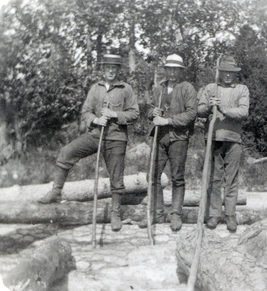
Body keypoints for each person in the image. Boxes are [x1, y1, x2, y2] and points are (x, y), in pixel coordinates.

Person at [38, 54, 139, 232]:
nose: (110, 70)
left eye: (113, 67)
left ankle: (116, 213)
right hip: (95, 134)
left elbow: (134, 113)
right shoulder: (95, 89)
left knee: (116, 177)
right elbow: (85, 111)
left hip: (116, 138)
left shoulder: (125, 89)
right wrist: (95, 120)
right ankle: (56, 191)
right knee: (66, 152)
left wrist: (115, 115)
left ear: (118, 70)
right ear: (103, 69)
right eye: (107, 67)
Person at [138, 54, 197, 232]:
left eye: (176, 69)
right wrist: (152, 112)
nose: (172, 72)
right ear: (165, 70)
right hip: (159, 137)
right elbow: (149, 110)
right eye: (169, 69)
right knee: (153, 175)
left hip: (178, 138)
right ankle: (156, 213)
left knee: (177, 177)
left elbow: (191, 114)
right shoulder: (159, 88)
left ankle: (175, 214)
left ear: (180, 71)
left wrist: (167, 121)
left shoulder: (187, 88)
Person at [197, 55, 249, 232]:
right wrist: (208, 106)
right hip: (213, 138)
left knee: (231, 179)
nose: (228, 75)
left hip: (233, 140)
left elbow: (243, 111)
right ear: (220, 72)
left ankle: (230, 215)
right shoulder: (211, 88)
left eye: (231, 72)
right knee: (214, 178)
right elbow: (200, 110)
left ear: (235, 74)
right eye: (225, 72)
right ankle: (214, 214)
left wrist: (223, 109)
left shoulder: (242, 89)